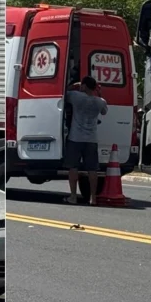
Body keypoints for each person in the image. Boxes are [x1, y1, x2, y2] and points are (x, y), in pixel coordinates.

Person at [64, 75, 108, 205]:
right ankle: (93, 197)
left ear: (83, 86)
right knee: (92, 169)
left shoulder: (76, 96)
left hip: (75, 138)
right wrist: (99, 93)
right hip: (91, 139)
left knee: (73, 167)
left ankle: (73, 196)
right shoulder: (100, 101)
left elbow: (63, 93)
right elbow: (105, 112)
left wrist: (74, 85)